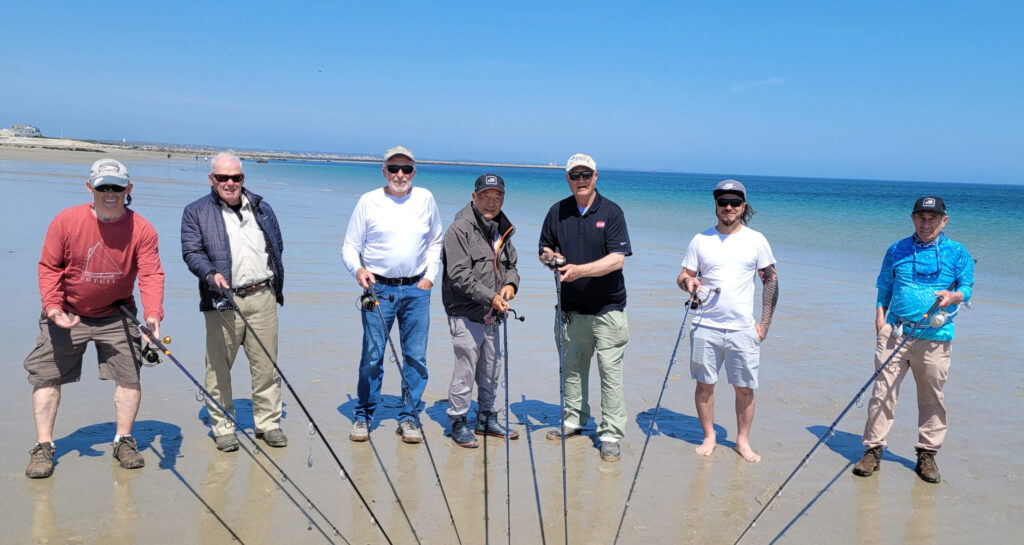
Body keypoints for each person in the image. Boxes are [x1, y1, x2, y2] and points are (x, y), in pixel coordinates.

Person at [24, 158, 165, 478]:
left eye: (117, 186)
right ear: (90, 187)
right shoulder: (65, 221)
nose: (110, 192)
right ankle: (43, 446)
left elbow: (151, 274)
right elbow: (48, 267)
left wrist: (153, 315)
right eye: (103, 187)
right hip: (65, 311)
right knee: (47, 376)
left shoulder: (142, 228)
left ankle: (124, 439)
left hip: (117, 313)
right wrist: (53, 307)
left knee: (129, 376)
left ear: (129, 188)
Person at [852, 196, 974, 483]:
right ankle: (873, 451)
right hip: (895, 334)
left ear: (944, 221)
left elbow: (967, 288)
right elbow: (884, 286)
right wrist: (880, 319)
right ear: (912, 218)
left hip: (936, 337)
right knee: (882, 393)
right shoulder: (896, 249)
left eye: (933, 217)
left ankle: (927, 454)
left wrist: (954, 295)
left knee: (931, 396)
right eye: (921, 216)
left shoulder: (958, 252)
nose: (926, 222)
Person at [181, 152, 287, 452]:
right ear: (211, 179)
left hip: (262, 297)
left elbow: (276, 245)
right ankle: (223, 426)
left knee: (266, 366)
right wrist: (210, 274)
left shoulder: (262, 207)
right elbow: (192, 252)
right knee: (218, 368)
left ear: (243, 179)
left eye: (236, 177)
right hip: (222, 302)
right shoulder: (195, 212)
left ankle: (268, 424)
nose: (230, 183)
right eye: (222, 178)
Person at [342, 146, 443, 444]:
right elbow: (349, 246)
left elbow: (436, 240)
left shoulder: (425, 198)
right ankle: (363, 415)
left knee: (415, 357)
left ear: (414, 171)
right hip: (378, 289)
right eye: (394, 169)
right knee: (373, 356)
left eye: (406, 169)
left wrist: (430, 277)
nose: (400, 174)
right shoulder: (368, 201)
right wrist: (358, 271)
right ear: (384, 171)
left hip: (416, 290)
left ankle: (409, 417)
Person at [676, 179, 778, 463]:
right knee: (705, 385)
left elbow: (770, 279)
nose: (729, 207)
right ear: (716, 206)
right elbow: (683, 274)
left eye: (734, 202)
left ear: (743, 206)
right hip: (705, 325)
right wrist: (689, 282)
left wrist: (764, 324)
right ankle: (709, 435)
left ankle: (742, 441)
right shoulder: (701, 240)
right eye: (723, 202)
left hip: (743, 329)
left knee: (745, 388)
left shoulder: (756, 240)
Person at [539, 153, 632, 462]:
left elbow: (616, 259)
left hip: (608, 310)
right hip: (569, 310)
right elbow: (545, 249)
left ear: (595, 177)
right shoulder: (557, 211)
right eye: (575, 175)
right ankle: (573, 420)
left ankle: (610, 433)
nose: (580, 180)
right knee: (572, 370)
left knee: (610, 374)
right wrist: (549, 257)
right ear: (567, 179)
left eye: (586, 175)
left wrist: (578, 270)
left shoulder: (612, 212)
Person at [441, 174, 520, 448]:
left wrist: (510, 285)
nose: (491, 202)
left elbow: (511, 265)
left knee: (491, 368)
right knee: (465, 369)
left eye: (497, 197)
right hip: (465, 311)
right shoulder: (459, 229)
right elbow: (459, 275)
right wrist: (492, 297)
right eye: (485, 196)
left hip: (494, 314)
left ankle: (486, 417)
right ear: (474, 198)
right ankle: (458, 421)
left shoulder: (502, 228)